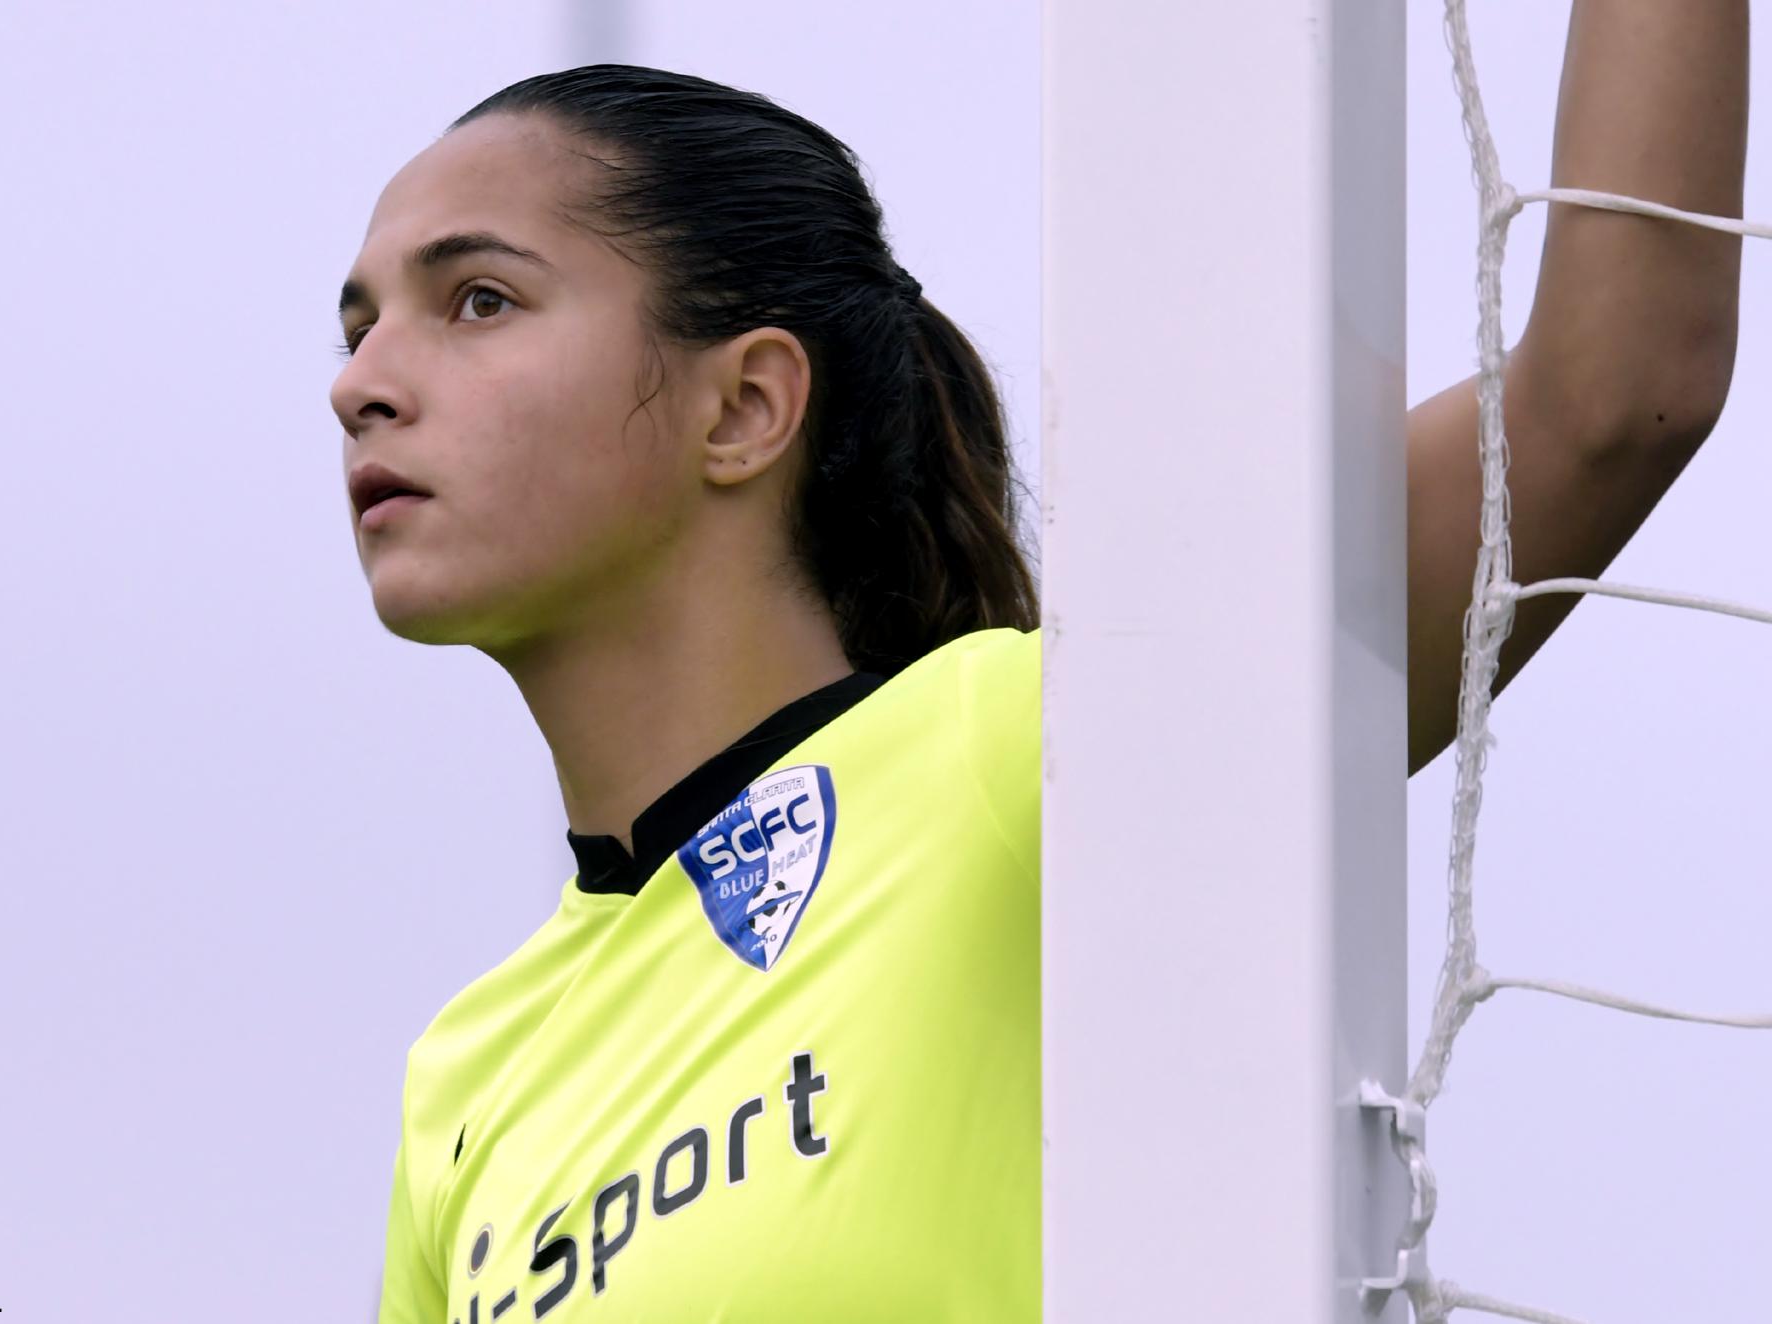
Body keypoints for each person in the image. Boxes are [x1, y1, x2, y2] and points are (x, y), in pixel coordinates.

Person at [331, 31, 1742, 1321]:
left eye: (478, 300)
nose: (361, 383)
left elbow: (1609, 395)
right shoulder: (468, 1076)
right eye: (358, 328)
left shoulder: (1024, 750)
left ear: (746, 406)